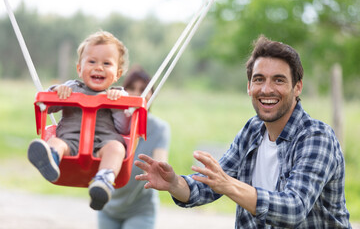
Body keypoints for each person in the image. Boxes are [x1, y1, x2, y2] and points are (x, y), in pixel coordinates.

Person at [135, 35, 351, 228]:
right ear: (249, 86)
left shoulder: (316, 137)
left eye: (279, 80)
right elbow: (209, 186)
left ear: (297, 87)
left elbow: (293, 208)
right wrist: (175, 184)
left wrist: (228, 184)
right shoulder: (253, 129)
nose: (266, 89)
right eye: (259, 79)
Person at [28, 30, 131, 211]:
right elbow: (47, 107)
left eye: (107, 63)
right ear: (79, 68)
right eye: (92, 61)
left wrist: (118, 103)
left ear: (117, 73)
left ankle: (104, 179)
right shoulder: (71, 87)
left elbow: (124, 128)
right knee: (55, 142)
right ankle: (50, 159)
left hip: (103, 143)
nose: (98, 67)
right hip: (70, 142)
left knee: (117, 148)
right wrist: (58, 93)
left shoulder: (117, 95)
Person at [98, 66, 171, 228]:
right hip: (107, 206)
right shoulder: (109, 123)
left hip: (140, 209)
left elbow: (159, 166)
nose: (137, 94)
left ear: (152, 94)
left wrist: (157, 172)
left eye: (143, 90)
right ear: (123, 91)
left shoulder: (159, 129)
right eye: (131, 88)